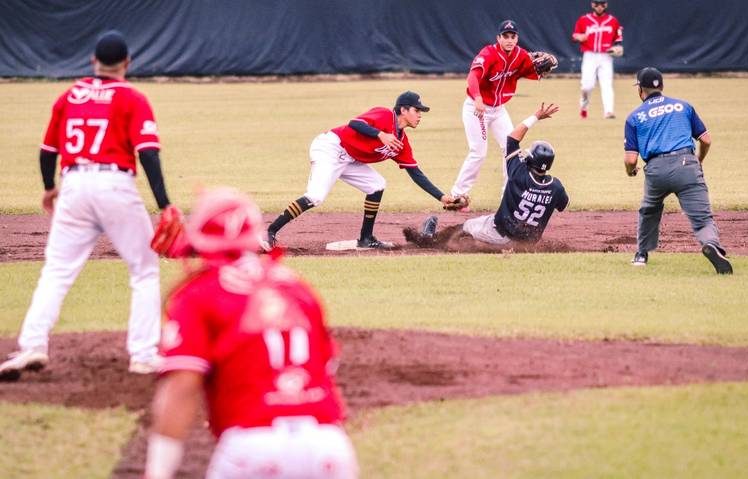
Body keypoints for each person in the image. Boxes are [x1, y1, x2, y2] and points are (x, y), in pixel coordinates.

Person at [143, 188, 358, 479]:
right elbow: (325, 366)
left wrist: (157, 472)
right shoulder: (295, 285)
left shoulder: (197, 293)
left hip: (252, 446)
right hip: (328, 445)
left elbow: (182, 386)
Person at [0, 31, 174, 381]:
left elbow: (48, 151)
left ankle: (32, 343)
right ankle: (142, 354)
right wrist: (165, 204)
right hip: (115, 185)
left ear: (93, 61)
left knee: (56, 271)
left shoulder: (70, 95)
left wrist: (50, 188)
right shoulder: (132, 97)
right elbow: (148, 153)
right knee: (144, 270)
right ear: (127, 64)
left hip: (74, 185)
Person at [263, 91, 456, 250]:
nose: (420, 115)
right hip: (331, 148)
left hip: (350, 159)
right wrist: (380, 134)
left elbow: (415, 173)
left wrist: (441, 197)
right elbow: (354, 123)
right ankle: (270, 231)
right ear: (403, 110)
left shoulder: (401, 143)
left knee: (376, 185)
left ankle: (366, 239)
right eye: (417, 110)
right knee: (315, 196)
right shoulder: (384, 115)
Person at [624, 67, 733, 274]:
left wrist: (630, 171)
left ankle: (641, 254)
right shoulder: (684, 106)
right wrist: (698, 160)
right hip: (687, 164)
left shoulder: (634, 117)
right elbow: (706, 139)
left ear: (640, 90)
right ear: (662, 86)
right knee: (702, 218)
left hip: (656, 170)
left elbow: (630, 159)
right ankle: (711, 245)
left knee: (649, 209)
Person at [417, 103, 567, 247]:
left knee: (466, 226)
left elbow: (512, 138)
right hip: (528, 242)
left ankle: (430, 240)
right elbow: (563, 205)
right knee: (488, 224)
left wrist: (536, 116)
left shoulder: (517, 173)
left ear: (530, 159)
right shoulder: (556, 187)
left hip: (499, 233)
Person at [451, 19, 548, 202]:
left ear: (517, 38)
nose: (509, 40)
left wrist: (542, 71)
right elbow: (473, 76)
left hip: (498, 110)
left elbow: (532, 73)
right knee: (478, 152)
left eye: (513, 36)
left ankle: (507, 195)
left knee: (511, 151)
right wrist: (478, 98)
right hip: (477, 108)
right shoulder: (488, 53)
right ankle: (457, 194)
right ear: (499, 38)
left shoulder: (521, 55)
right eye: (505, 36)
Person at [572, 0, 623, 119]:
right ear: (592, 4)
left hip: (606, 56)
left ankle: (609, 111)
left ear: (606, 5)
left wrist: (618, 48)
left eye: (602, 3)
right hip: (590, 55)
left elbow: (618, 40)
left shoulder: (612, 21)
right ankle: (584, 107)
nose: (599, 6)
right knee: (586, 86)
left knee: (607, 84)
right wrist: (579, 37)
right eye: (597, 3)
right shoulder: (584, 19)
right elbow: (575, 35)